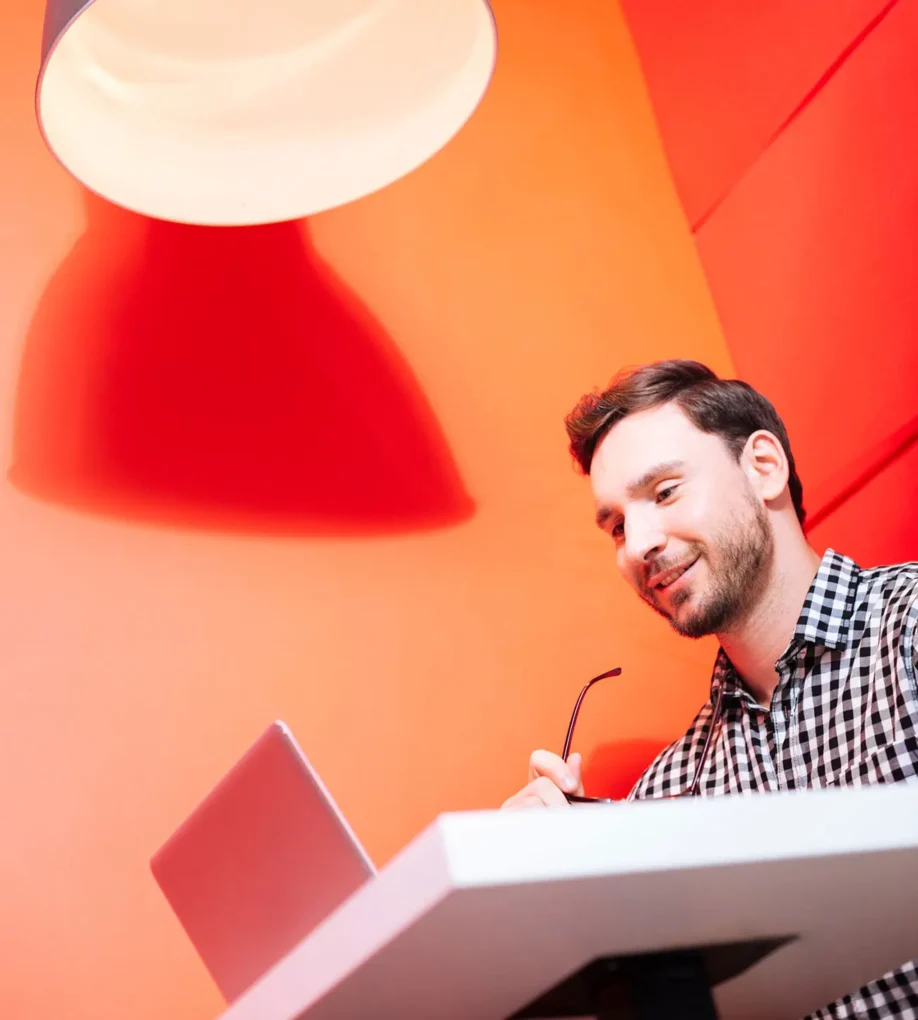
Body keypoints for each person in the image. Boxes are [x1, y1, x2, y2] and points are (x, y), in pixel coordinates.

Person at [501, 359, 918, 1019]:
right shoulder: (667, 797)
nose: (639, 545)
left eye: (665, 492)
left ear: (764, 468)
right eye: (617, 527)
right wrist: (552, 893)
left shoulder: (909, 630)